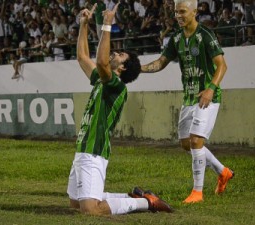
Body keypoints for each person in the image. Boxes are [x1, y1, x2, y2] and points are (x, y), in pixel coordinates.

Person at [67, 4, 173, 215]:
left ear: (122, 68)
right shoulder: (102, 80)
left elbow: (101, 62)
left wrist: (107, 24)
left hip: (94, 149)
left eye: (121, 54)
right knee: (75, 203)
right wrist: (83, 25)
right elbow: (82, 58)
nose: (116, 53)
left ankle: (146, 203)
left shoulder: (116, 86)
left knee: (90, 210)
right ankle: (132, 197)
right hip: (84, 147)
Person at [141, 0, 234, 203]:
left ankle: (197, 193)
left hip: (207, 96)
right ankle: (223, 171)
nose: (178, 16)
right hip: (189, 96)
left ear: (194, 12)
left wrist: (211, 88)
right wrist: (139, 68)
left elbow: (222, 65)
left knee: (195, 141)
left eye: (182, 11)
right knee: (187, 144)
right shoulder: (176, 39)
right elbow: (160, 63)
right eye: (176, 12)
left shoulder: (205, 35)